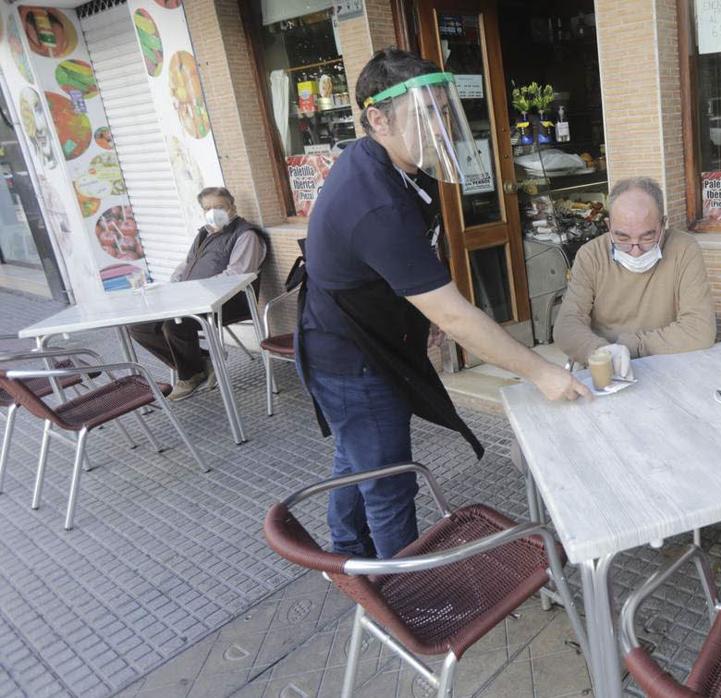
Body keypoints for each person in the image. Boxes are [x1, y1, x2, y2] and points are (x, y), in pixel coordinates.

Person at [297, 49, 590, 561]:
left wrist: (417, 313)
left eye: (443, 110)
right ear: (377, 119)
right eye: (425, 113)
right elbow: (454, 313)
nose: (441, 125)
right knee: (388, 481)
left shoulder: (397, 167)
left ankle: (344, 550)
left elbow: (417, 261)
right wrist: (540, 372)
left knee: (355, 458)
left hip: (365, 338)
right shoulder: (374, 201)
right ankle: (409, 595)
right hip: (353, 360)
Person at [553, 176, 716, 379]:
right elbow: (566, 325)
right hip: (607, 369)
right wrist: (601, 352)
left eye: (647, 237)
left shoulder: (684, 249)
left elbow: (700, 329)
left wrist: (630, 346)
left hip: (668, 363)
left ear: (663, 224)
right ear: (608, 225)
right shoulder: (591, 255)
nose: (635, 251)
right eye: (622, 238)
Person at [128, 187, 267, 401]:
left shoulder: (245, 235)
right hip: (191, 299)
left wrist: (194, 292)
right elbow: (186, 265)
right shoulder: (204, 233)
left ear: (232, 207)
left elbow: (236, 277)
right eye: (208, 208)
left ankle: (190, 375)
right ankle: (201, 362)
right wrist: (172, 287)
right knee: (139, 326)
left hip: (227, 301)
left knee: (175, 324)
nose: (213, 212)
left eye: (219, 207)